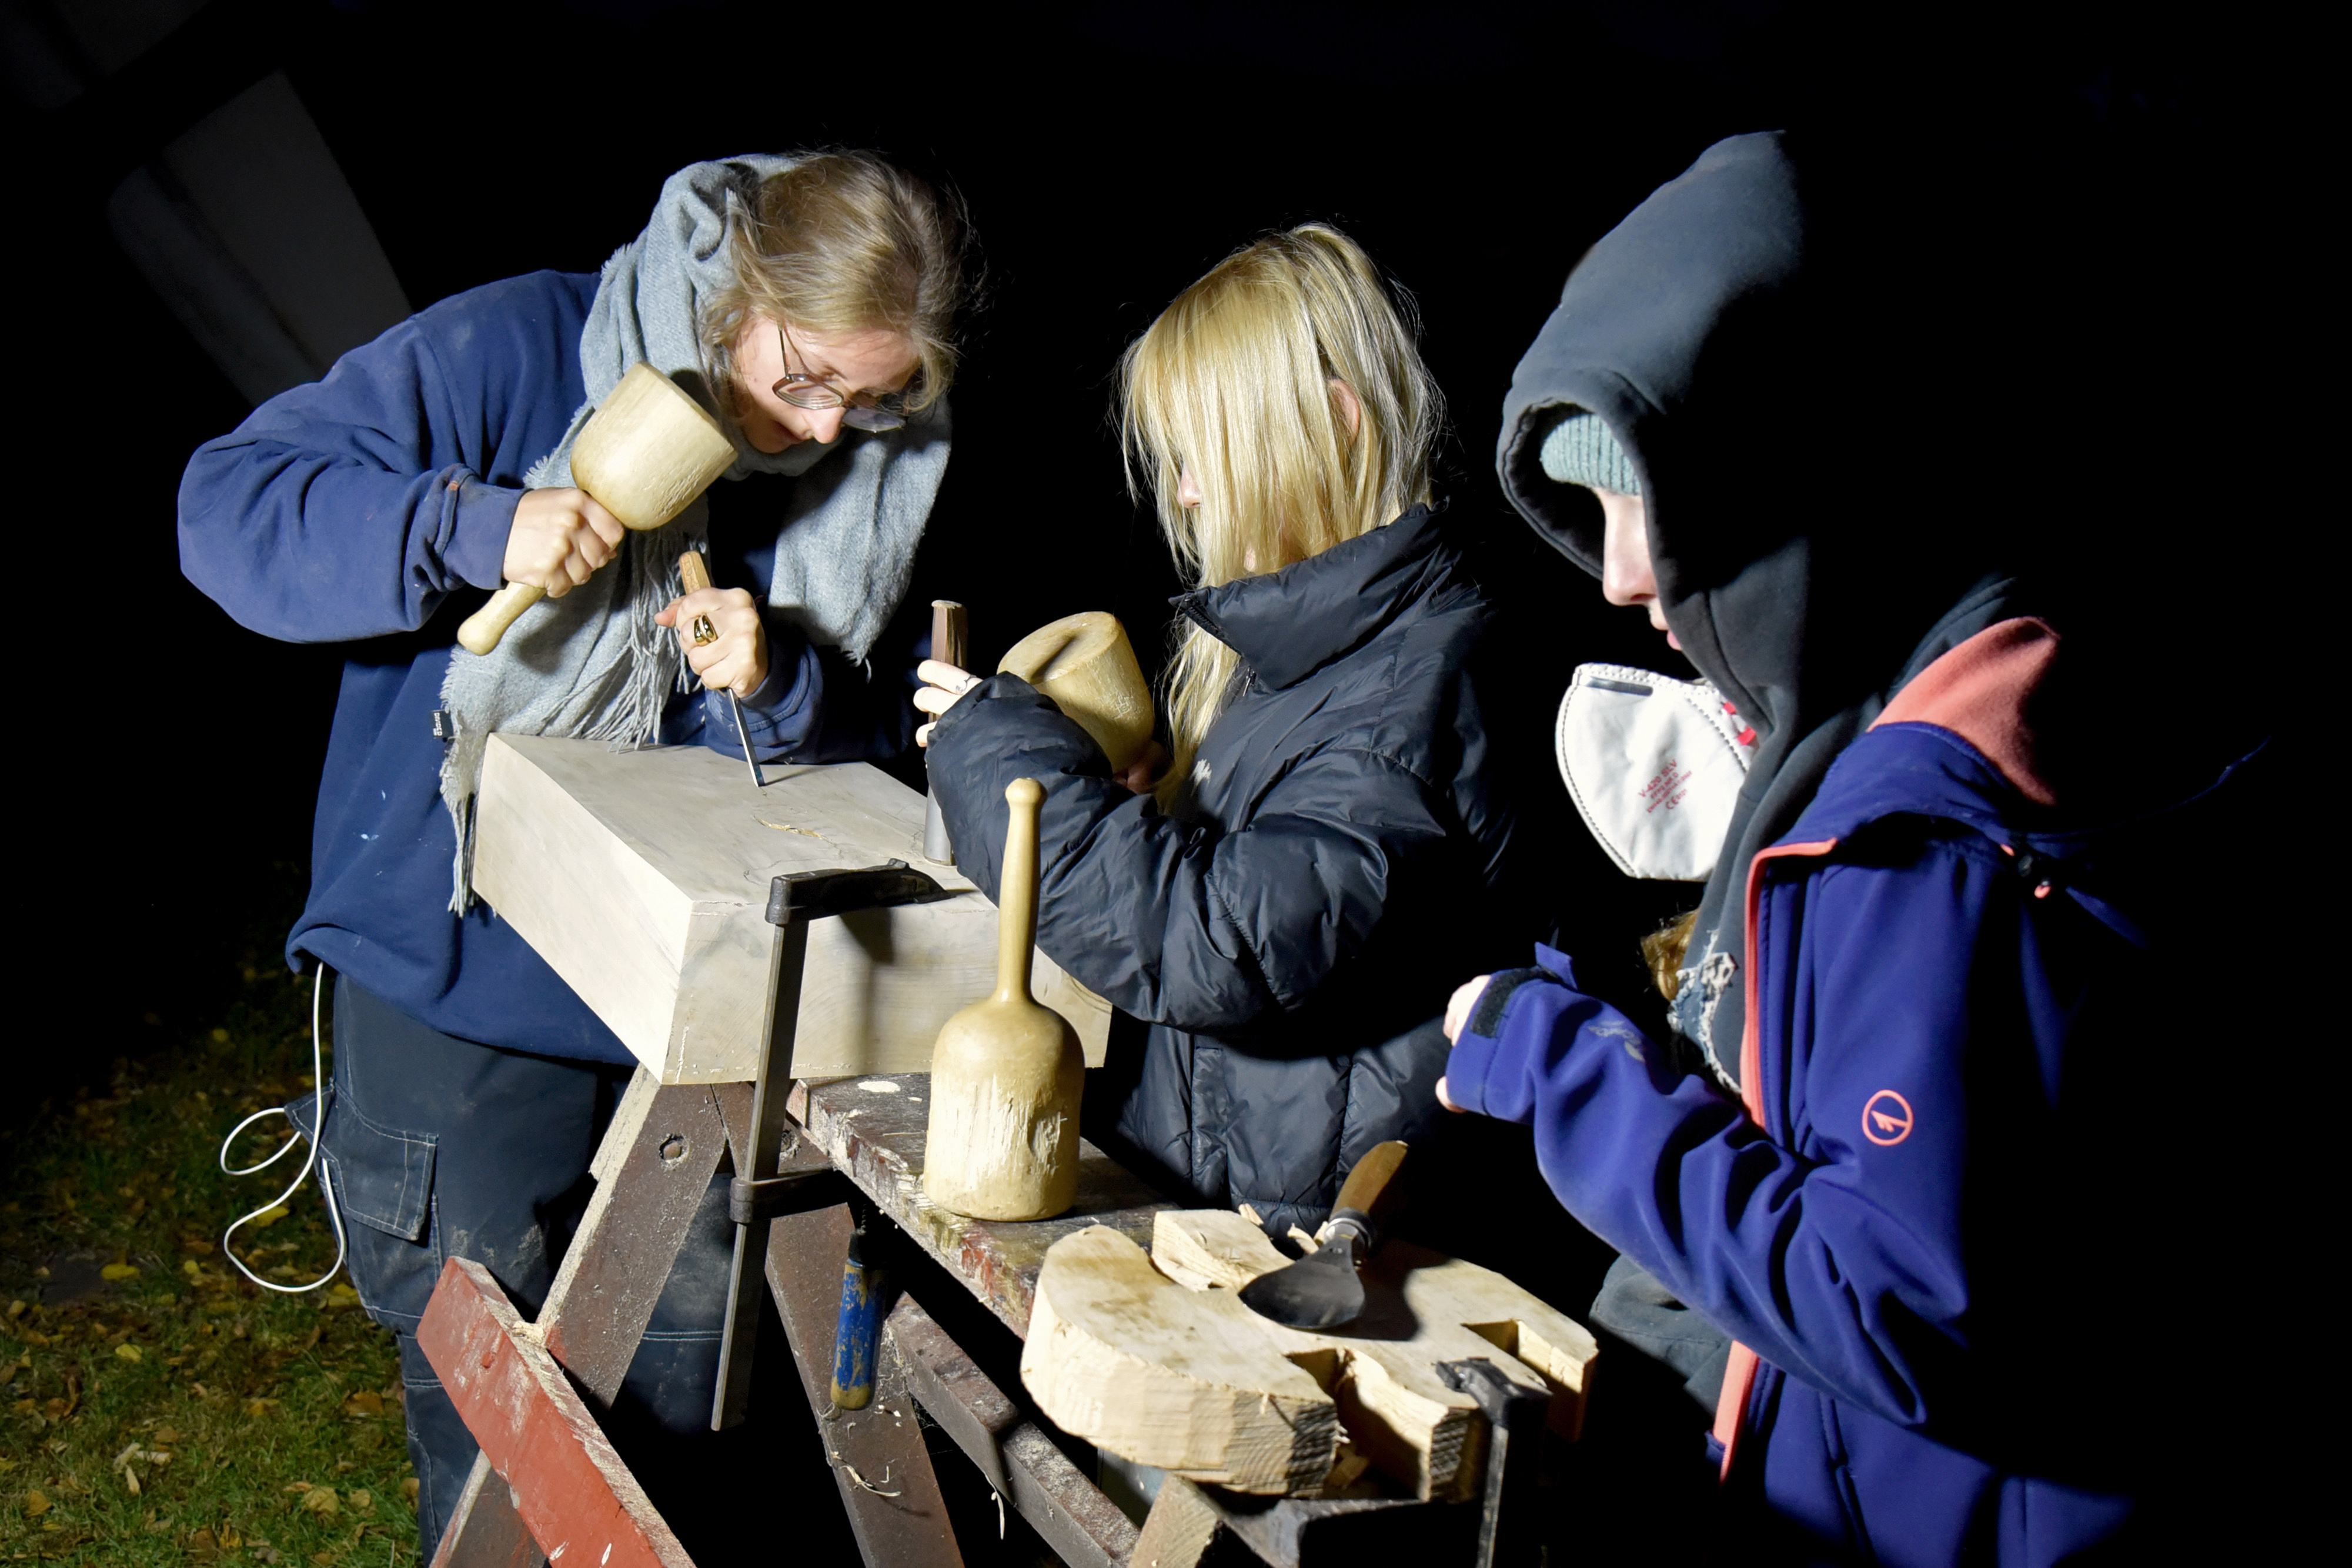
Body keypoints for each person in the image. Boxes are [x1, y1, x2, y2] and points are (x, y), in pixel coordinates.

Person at [1435, 133, 2276, 1563]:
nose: (1618, 570)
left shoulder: (1915, 835)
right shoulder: (2013, 675)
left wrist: (1563, 1067)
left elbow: (1885, 1299)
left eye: (1644, 498)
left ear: (1790, 470)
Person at [178, 151, 967, 1554]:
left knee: (679, 1419)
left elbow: (882, 715)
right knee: (486, 1416)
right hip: (460, 974)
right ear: (736, 292)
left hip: (700, 1011)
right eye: (803, 378)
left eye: (871, 399)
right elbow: (226, 505)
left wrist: (784, 679)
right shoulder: (520, 348)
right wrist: (472, 525)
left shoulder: (875, 455)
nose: (827, 429)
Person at [916, 225, 1534, 1235]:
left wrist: (999, 757)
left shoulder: (1422, 691)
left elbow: (1216, 943)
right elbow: (1270, 875)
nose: (1188, 493)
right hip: (1213, 1190)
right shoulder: (1316, 647)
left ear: (1335, 423)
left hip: (1321, 1245)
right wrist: (1150, 809)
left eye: (1205, 453)